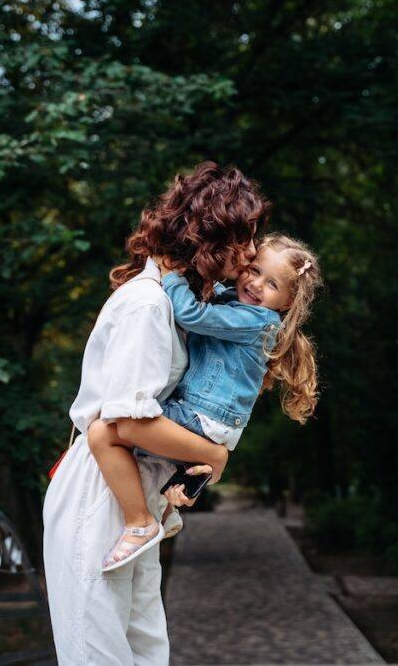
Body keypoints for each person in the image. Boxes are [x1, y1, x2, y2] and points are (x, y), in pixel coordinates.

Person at [42, 161, 269, 665]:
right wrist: (215, 454)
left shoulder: (175, 304)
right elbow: (125, 421)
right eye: (244, 236)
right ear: (210, 234)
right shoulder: (148, 304)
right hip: (101, 492)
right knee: (97, 654)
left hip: (135, 493)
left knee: (145, 652)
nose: (253, 251)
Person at [87, 234, 323, 570]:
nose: (255, 284)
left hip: (202, 418)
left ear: (285, 303)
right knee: (124, 437)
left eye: (271, 284)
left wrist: (169, 275)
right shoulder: (236, 303)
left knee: (103, 432)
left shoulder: (257, 321)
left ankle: (140, 522)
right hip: (202, 416)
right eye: (254, 270)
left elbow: (193, 315)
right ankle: (170, 506)